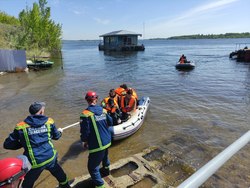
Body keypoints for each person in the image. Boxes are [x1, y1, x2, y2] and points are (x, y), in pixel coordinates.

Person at [3, 102, 70, 188]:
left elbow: (7, 144)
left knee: (27, 184)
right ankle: (66, 186)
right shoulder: (49, 122)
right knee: (59, 174)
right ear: (41, 112)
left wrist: (23, 143)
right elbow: (56, 136)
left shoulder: (21, 127)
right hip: (50, 157)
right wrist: (60, 132)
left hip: (35, 162)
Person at [80, 91, 113, 188]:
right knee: (105, 156)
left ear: (87, 100)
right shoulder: (103, 110)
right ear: (96, 99)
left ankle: (100, 185)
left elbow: (85, 132)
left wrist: (84, 141)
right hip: (107, 140)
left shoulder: (85, 114)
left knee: (92, 167)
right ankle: (106, 171)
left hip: (97, 144)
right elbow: (110, 122)